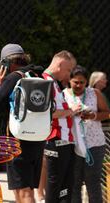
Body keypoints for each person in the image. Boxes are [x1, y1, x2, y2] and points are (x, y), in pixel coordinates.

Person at [0, 43, 45, 203]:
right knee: (26, 191)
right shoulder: (37, 76)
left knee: (23, 192)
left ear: (8, 63)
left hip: (17, 140)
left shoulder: (13, 78)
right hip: (37, 139)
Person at [63, 66, 109, 203]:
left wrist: (92, 115)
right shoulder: (63, 94)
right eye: (75, 82)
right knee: (74, 182)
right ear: (69, 81)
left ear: (86, 82)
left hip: (94, 145)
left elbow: (107, 113)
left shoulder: (94, 93)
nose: (78, 85)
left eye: (82, 82)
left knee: (92, 182)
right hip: (72, 145)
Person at [42, 50, 81, 203]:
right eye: (69, 70)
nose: (69, 74)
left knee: (65, 188)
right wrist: (70, 111)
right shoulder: (45, 82)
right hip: (56, 142)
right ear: (60, 64)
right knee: (55, 186)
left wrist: (70, 113)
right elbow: (47, 112)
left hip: (65, 142)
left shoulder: (53, 83)